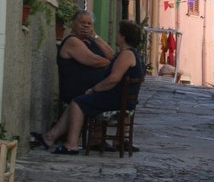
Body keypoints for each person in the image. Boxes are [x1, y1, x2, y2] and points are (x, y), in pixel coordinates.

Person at [39, 20, 146, 154]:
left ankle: (71, 145)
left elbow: (113, 79)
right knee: (78, 100)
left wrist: (95, 89)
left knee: (78, 103)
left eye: (118, 33)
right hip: (120, 99)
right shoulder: (130, 54)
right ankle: (50, 137)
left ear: (123, 36)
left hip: (116, 100)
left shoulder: (126, 55)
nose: (116, 35)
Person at [31, 9, 113, 150]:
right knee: (87, 98)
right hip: (75, 87)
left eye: (89, 23)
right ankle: (77, 139)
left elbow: (111, 54)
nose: (86, 26)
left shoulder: (90, 40)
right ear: (73, 24)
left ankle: (50, 137)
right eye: (82, 22)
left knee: (98, 94)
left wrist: (95, 37)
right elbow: (93, 60)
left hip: (89, 88)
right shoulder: (72, 41)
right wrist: (111, 64)